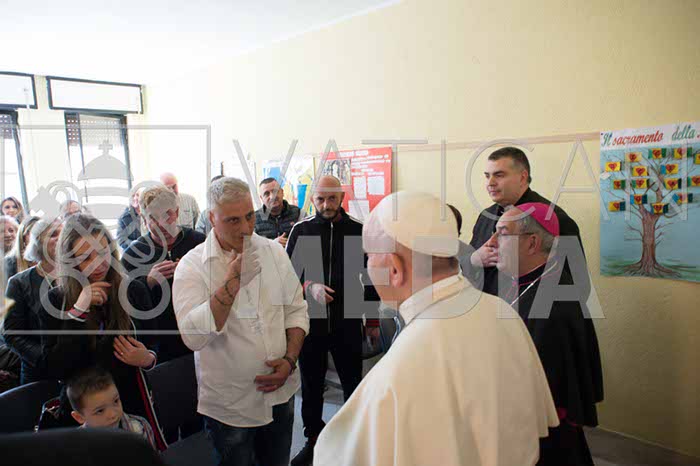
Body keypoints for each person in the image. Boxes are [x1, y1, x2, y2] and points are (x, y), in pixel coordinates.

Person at [314, 191, 559, 466]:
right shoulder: (503, 313)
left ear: (394, 269)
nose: (367, 266)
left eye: (369, 256)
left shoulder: (402, 365)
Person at [173, 177, 309, 466]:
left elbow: (296, 310)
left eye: (249, 216)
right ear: (212, 218)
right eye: (233, 220)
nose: (246, 228)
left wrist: (289, 359)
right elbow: (193, 337)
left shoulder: (274, 252)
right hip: (230, 407)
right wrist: (233, 281)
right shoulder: (191, 266)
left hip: (281, 393)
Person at [488, 203, 604, 466]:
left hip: (543, 430)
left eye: (502, 233)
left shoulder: (555, 305)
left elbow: (545, 382)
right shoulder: (522, 280)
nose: (491, 243)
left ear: (532, 243)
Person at [39, 214, 166, 449]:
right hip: (84, 411)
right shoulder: (56, 300)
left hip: (131, 403)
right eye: (86, 258)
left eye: (102, 252)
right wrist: (78, 311)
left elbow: (155, 344)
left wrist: (147, 359)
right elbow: (55, 367)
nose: (98, 264)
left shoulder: (133, 289)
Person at [286, 175, 379, 466]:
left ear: (342, 198)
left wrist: (373, 321)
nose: (326, 205)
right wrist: (309, 287)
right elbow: (288, 277)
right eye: (320, 199)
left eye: (332, 198)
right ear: (312, 199)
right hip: (310, 322)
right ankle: (313, 440)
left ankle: (354, 439)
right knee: (311, 386)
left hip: (348, 318)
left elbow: (371, 280)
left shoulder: (358, 231)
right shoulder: (301, 230)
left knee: (353, 384)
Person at [465, 147, 587, 298]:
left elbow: (578, 286)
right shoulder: (486, 217)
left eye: (499, 175)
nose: (490, 183)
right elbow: (467, 267)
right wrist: (473, 260)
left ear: (523, 177)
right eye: (487, 176)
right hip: (486, 308)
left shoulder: (553, 219)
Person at [122, 184, 206, 363]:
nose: (162, 224)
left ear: (176, 212)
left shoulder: (199, 242)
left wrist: (192, 271)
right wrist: (147, 282)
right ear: (144, 219)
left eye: (167, 214)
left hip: (200, 336)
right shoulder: (132, 255)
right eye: (153, 218)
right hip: (160, 347)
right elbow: (127, 306)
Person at [3, 218, 62, 384]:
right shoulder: (18, 283)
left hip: (78, 370)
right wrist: (45, 359)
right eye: (53, 234)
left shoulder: (80, 274)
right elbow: (12, 334)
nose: (60, 238)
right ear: (38, 243)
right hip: (38, 372)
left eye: (64, 233)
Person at [67, 366, 158, 449]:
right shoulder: (75, 445)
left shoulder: (140, 427)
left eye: (116, 401)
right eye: (100, 411)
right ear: (79, 417)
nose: (113, 415)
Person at [254, 177, 300, 248]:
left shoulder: (298, 214)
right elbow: (250, 248)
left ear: (282, 192)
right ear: (261, 198)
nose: (272, 196)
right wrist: (272, 244)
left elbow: (308, 244)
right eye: (266, 194)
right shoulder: (253, 219)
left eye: (275, 191)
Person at [4, 215, 40, 287]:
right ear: (23, 237)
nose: (37, 236)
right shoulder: (9, 263)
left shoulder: (51, 260)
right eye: (32, 233)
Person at [117, 187, 145, 251]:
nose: (135, 198)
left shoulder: (149, 212)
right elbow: (121, 240)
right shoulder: (124, 217)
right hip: (132, 252)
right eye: (133, 196)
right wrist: (136, 244)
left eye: (138, 195)